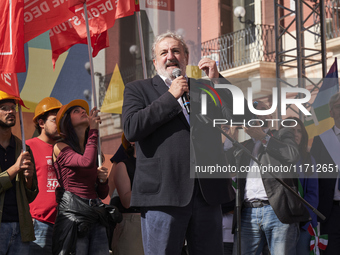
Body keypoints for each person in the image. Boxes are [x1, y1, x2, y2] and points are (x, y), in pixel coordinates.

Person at [122, 31, 251, 255]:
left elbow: (242, 117)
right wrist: (170, 97)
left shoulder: (205, 88)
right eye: (164, 52)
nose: (170, 56)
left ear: (186, 57)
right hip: (163, 193)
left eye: (176, 51)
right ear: (155, 61)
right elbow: (132, 128)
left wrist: (218, 81)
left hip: (206, 193)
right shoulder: (138, 89)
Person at [225, 100, 310, 255]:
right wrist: (228, 134)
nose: (261, 112)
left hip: (277, 211)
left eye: (265, 109)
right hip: (247, 213)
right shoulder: (243, 146)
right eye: (256, 109)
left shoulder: (283, 134)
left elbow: (292, 154)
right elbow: (224, 165)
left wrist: (263, 137)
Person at [52, 99, 110, 255]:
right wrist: (94, 131)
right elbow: (85, 162)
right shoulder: (60, 146)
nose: (83, 111)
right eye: (76, 111)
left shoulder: (92, 148)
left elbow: (103, 194)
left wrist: (102, 181)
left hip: (95, 214)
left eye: (83, 109)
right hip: (73, 217)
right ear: (66, 121)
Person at [0, 91, 38, 255]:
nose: (11, 111)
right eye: (4, 108)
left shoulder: (23, 148)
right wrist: (15, 168)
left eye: (13, 107)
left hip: (21, 227)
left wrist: (29, 180)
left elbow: (30, 195)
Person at [27, 97, 62, 255]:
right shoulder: (28, 146)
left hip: (65, 223)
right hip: (38, 224)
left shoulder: (66, 148)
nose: (59, 124)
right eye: (55, 120)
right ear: (41, 123)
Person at [282, 117, 318, 254]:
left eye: (299, 131)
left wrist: (302, 218)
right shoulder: (275, 158)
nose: (296, 134)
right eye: (291, 130)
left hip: (303, 224)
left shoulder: (308, 160)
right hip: (281, 222)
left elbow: (313, 194)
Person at [310, 92, 340, 255]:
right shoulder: (321, 140)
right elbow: (315, 178)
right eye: (338, 107)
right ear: (331, 112)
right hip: (331, 210)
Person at [110, 133, 144, 255]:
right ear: (132, 141)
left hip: (157, 220)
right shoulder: (123, 165)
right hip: (134, 222)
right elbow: (127, 201)